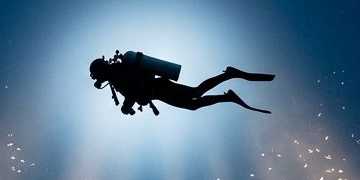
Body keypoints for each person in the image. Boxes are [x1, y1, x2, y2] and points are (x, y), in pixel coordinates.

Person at [90, 50, 274, 116]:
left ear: (100, 72)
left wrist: (126, 106)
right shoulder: (116, 74)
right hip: (158, 92)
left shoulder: (117, 74)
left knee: (195, 93)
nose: (99, 80)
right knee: (193, 105)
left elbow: (133, 89)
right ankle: (228, 96)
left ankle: (229, 76)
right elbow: (134, 90)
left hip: (159, 88)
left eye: (97, 76)